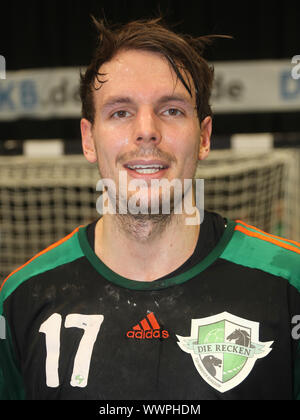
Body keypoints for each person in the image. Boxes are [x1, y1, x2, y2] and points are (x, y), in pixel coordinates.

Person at [0, 16, 300, 401]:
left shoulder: (288, 285)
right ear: (88, 140)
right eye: (120, 112)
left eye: (172, 110)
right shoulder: (23, 298)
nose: (147, 130)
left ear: (204, 136)